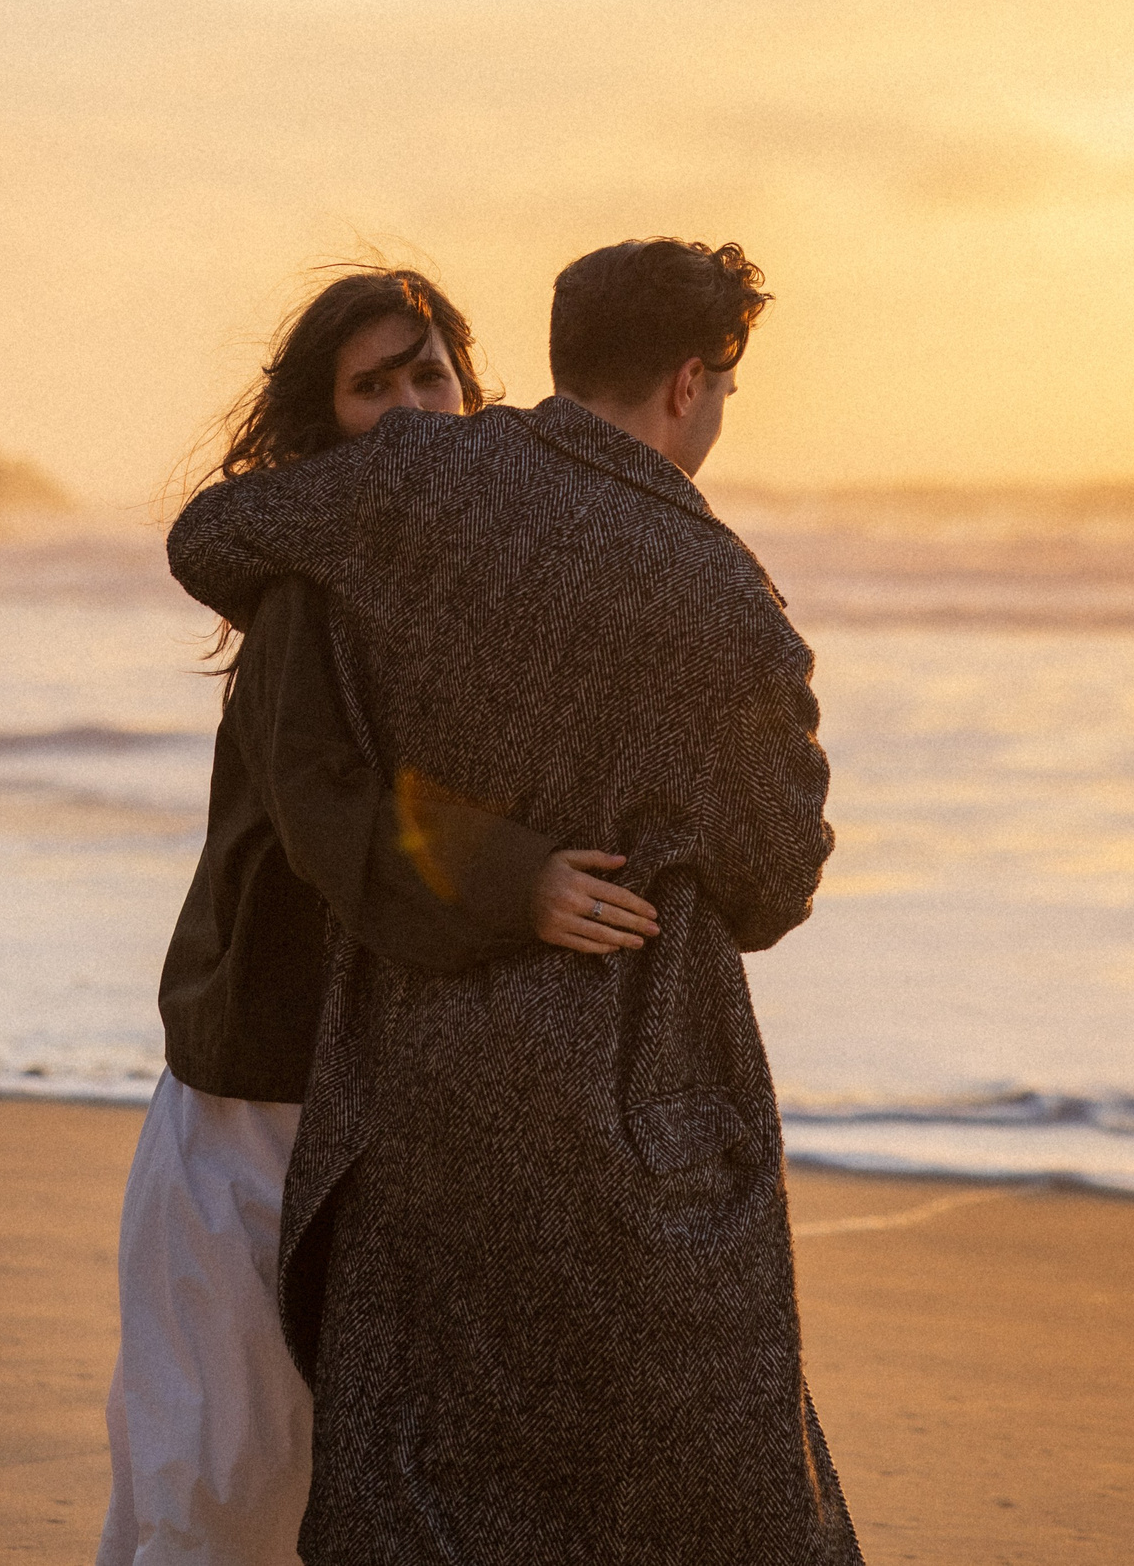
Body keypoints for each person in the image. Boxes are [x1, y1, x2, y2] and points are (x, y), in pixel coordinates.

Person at [166, 239, 858, 1564]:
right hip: (641, 1075)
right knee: (691, 1493)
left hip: (417, 1070)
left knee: (421, 1485)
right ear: (688, 380)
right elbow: (774, 883)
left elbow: (213, 540)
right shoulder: (730, 600)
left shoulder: (414, 479)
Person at [102, 268, 661, 1566]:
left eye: (429, 374)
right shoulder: (308, 586)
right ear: (320, 423)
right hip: (259, 1083)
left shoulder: (492, 583)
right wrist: (525, 880)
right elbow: (330, 809)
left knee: (357, 1483)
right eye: (372, 386)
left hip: (401, 1095)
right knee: (218, 1475)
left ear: (472, 392)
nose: (410, 407)